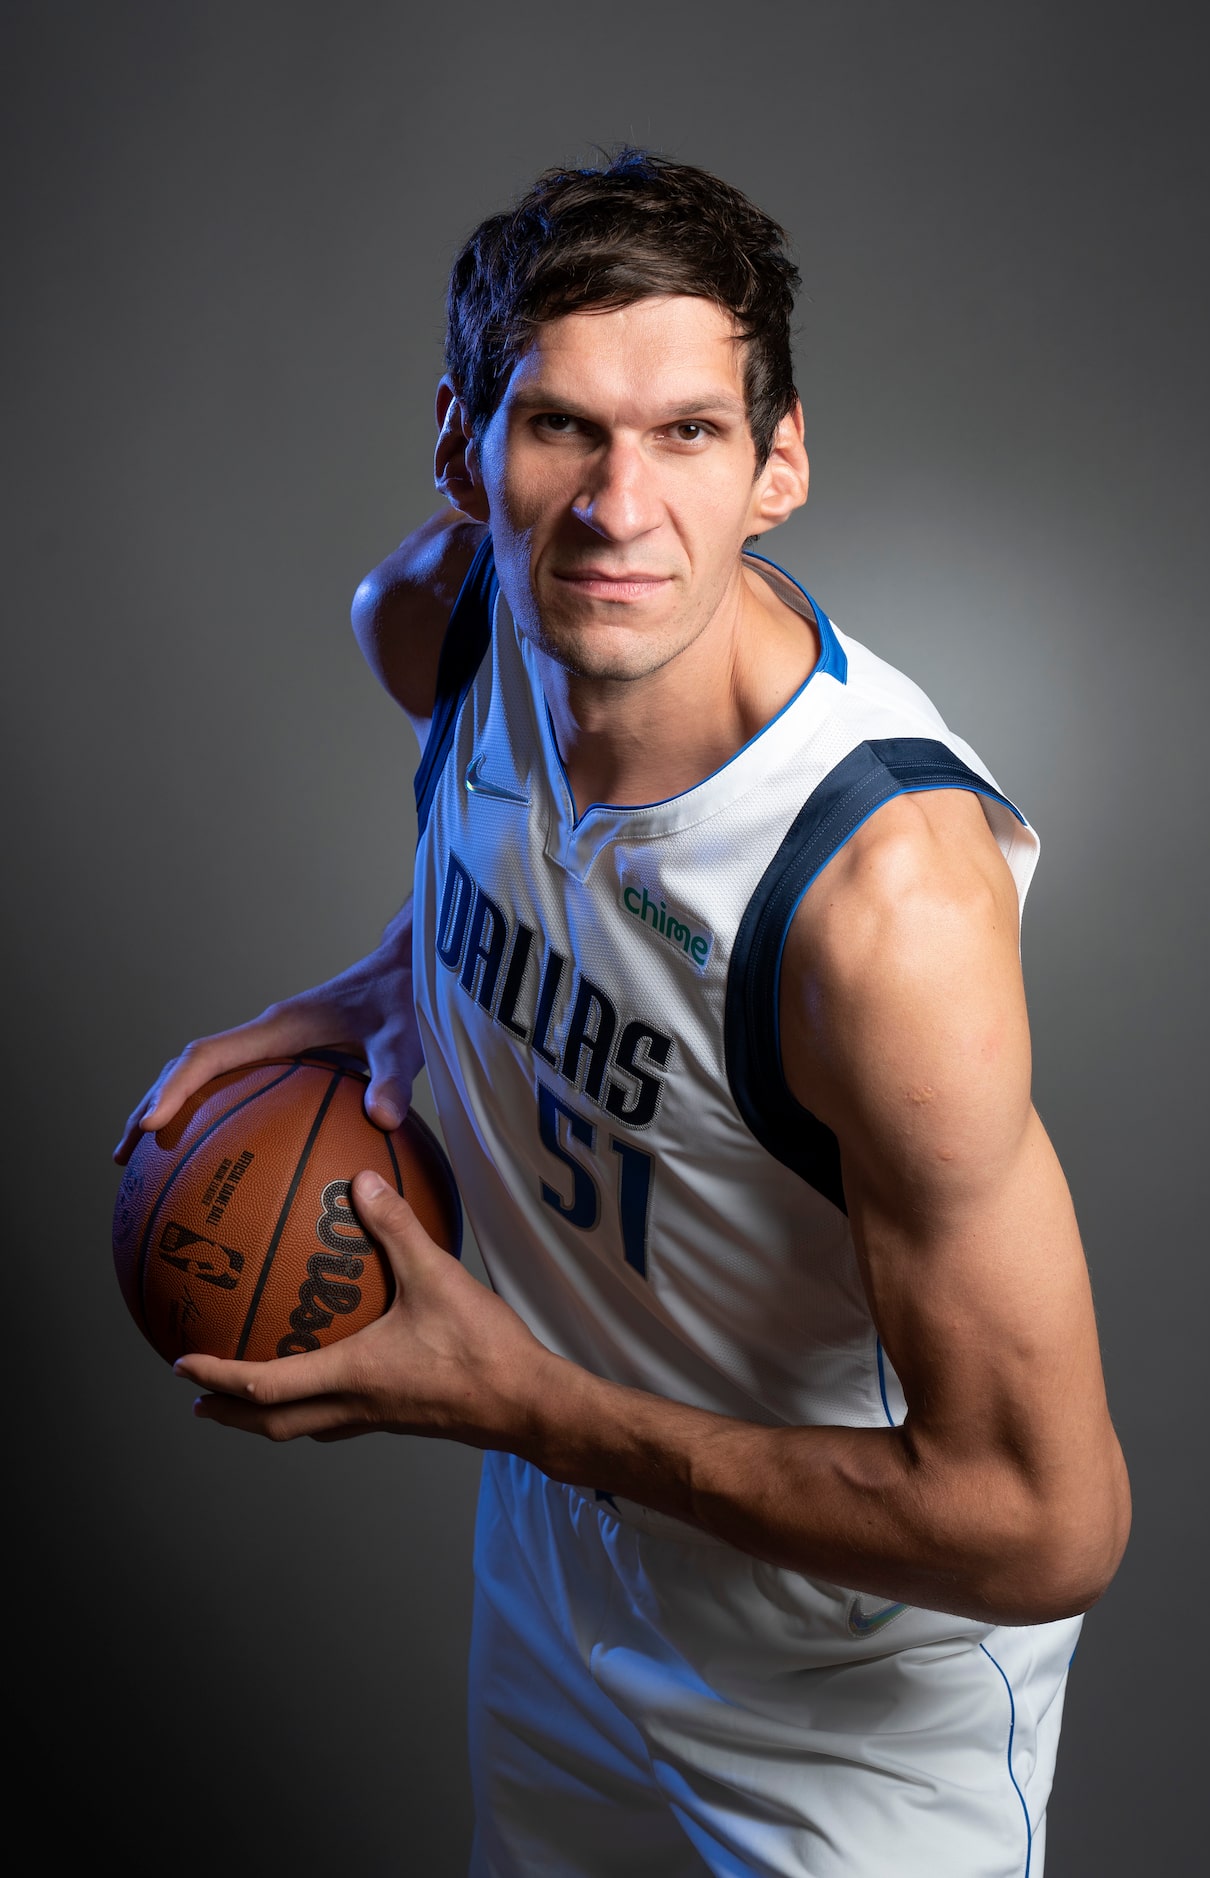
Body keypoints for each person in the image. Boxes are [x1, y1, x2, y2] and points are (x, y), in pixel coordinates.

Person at [116, 150, 1130, 1877]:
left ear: (779, 463)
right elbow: (555, 876)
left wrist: (520, 1404)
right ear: (462, 446)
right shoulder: (441, 633)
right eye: (561, 427)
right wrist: (384, 981)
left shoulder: (883, 911)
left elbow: (1045, 1522)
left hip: (846, 1697)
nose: (616, 508)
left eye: (686, 433)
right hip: (561, 1582)